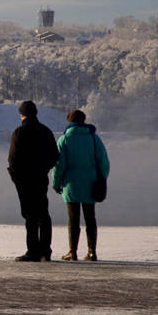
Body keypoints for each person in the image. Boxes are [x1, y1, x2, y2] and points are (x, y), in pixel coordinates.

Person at [52, 110, 110, 261]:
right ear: (84, 120)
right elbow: (103, 161)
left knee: (73, 219)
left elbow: (59, 165)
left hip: (71, 184)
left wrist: (56, 183)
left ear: (70, 121)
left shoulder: (64, 139)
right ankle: (92, 252)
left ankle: (72, 251)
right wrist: (102, 178)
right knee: (90, 218)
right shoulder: (93, 138)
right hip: (91, 182)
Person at [8, 100, 59, 262]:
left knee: (30, 215)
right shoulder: (45, 131)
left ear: (22, 115)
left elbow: (13, 158)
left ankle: (33, 251)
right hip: (40, 178)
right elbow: (54, 155)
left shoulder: (19, 133)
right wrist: (44, 169)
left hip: (24, 180)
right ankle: (45, 250)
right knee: (43, 214)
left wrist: (15, 177)